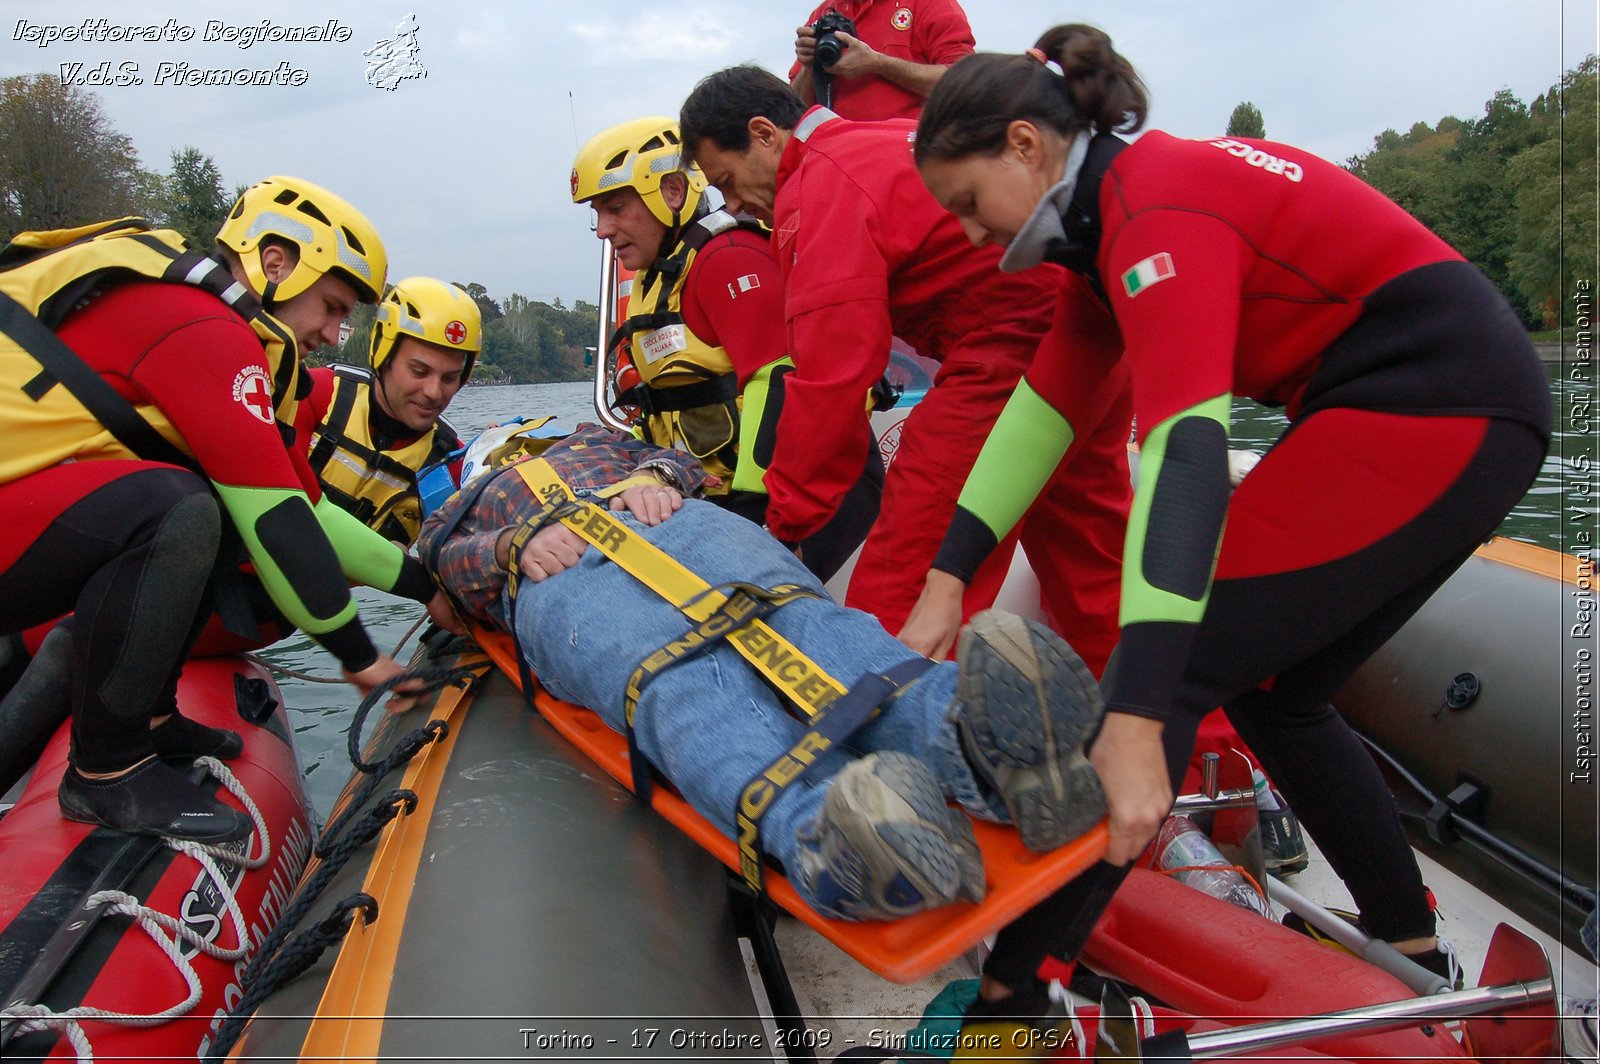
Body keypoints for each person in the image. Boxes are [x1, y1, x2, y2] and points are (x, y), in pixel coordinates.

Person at [910, 25, 1550, 1021]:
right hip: (1412, 397)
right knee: (1277, 690)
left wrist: (1137, 709)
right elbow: (1040, 413)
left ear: (1026, 147)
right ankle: (1408, 940)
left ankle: (1010, 1004)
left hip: (1441, 398)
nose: (965, 233)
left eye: (964, 204)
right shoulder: (1101, 230)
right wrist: (949, 575)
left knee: (1174, 664)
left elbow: (1185, 454)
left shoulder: (1152, 208)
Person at [416, 422, 1107, 921]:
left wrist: (655, 477)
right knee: (681, 684)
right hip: (565, 574)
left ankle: (973, 742)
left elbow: (682, 464)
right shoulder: (463, 507)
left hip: (674, 525)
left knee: (802, 622)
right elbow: (445, 569)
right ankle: (833, 837)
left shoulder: (596, 438)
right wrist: (514, 541)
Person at [0, 176, 423, 843]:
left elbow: (305, 509)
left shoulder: (238, 343)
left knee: (209, 509)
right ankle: (106, 770)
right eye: (333, 307)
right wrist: (357, 652)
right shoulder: (197, 324)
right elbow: (278, 522)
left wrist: (427, 587)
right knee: (175, 506)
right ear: (276, 263)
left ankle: (150, 717)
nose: (336, 334)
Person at [679, 66, 1131, 674]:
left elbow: (833, 379)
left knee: (899, 591)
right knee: (1095, 569)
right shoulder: (881, 139)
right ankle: (1208, 763)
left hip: (1011, 350)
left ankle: (890, 756)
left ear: (764, 133)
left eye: (727, 182)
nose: (732, 204)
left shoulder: (818, 189)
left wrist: (782, 526)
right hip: (1092, 334)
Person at [570, 116, 879, 580]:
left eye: (615, 208)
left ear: (672, 192)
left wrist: (758, 516)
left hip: (803, 498)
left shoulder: (726, 258)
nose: (603, 229)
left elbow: (778, 382)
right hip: (718, 495)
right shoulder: (658, 278)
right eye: (597, 213)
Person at [304, 275, 477, 545]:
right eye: (419, 371)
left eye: (449, 378)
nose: (434, 392)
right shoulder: (318, 394)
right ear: (383, 357)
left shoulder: (450, 462)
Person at [790, 0, 975, 121]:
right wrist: (810, 67)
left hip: (908, 154)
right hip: (838, 156)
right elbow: (793, 109)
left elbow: (964, 84)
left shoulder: (929, 4)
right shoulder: (824, 14)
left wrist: (878, 63)